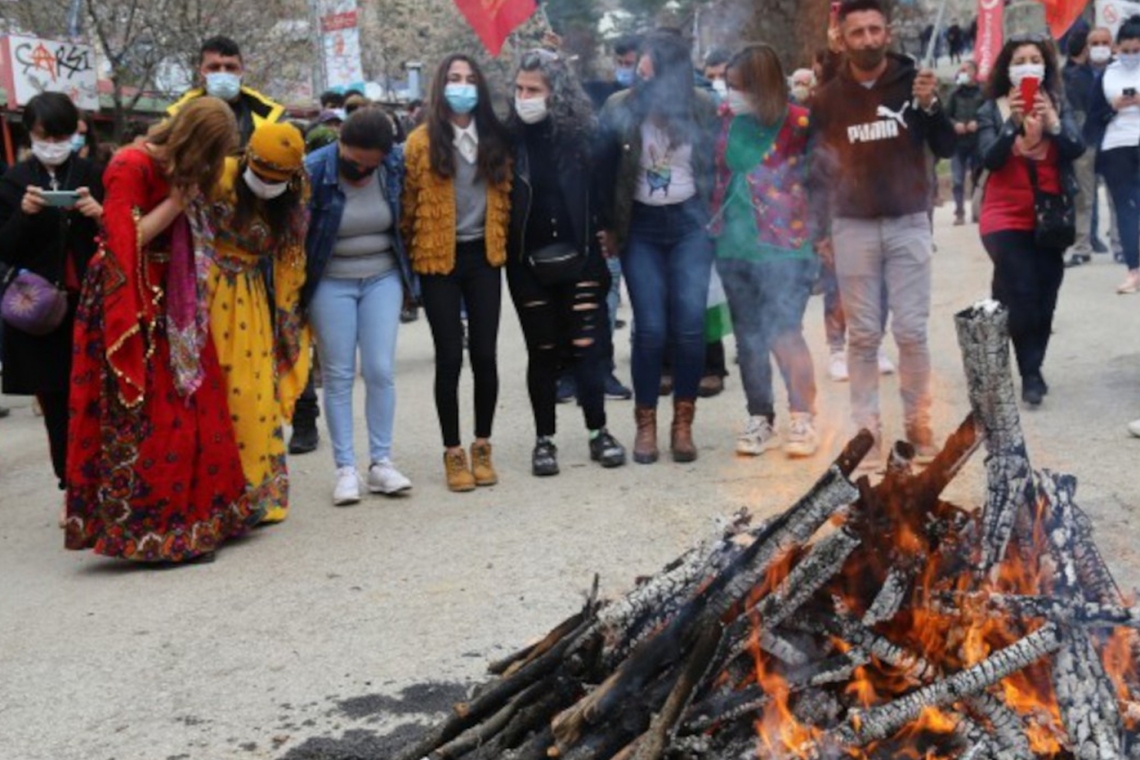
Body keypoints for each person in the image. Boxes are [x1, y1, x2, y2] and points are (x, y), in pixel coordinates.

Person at [66, 98, 259, 564]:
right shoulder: (129, 165)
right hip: (131, 302)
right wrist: (177, 201)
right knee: (155, 414)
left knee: (197, 404)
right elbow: (123, 242)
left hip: (176, 299)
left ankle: (205, 515)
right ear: (194, 142)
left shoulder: (182, 169)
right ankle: (154, 531)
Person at [808, 0, 955, 466]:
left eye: (875, 29)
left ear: (887, 32)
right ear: (842, 39)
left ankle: (918, 422)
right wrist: (820, 230)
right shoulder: (827, 99)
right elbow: (816, 172)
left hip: (909, 220)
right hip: (852, 226)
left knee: (911, 332)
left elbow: (948, 146)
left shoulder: (915, 84)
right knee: (864, 335)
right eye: (858, 33)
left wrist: (931, 108)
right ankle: (866, 431)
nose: (868, 39)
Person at [598, 31, 719, 464]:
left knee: (689, 328)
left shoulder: (702, 108)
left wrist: (717, 218)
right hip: (641, 227)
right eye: (638, 70)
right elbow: (603, 169)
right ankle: (645, 422)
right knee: (650, 328)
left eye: (648, 70)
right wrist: (607, 227)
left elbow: (717, 167)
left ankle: (682, 423)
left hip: (690, 224)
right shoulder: (620, 107)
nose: (640, 77)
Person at [506, 48, 628, 477]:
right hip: (526, 263)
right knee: (542, 353)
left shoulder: (586, 137)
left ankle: (599, 432)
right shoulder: (508, 138)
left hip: (581, 257)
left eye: (533, 90)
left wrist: (609, 229)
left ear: (555, 93)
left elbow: (607, 188)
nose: (525, 97)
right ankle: (545, 440)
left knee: (586, 349)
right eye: (520, 89)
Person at [402, 55, 512, 492]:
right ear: (440, 86)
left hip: (484, 258)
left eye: (469, 79)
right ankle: (453, 452)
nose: (461, 86)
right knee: (449, 357)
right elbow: (408, 208)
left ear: (480, 88)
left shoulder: (496, 139)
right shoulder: (419, 142)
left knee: (484, 355)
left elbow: (507, 198)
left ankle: (482, 444)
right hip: (438, 261)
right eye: (453, 79)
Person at [303, 108, 416, 504]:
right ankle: (345, 468)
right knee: (337, 373)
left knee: (380, 369)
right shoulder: (314, 170)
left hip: (382, 274)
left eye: (371, 166)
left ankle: (381, 462)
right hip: (330, 279)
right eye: (353, 163)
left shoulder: (395, 166)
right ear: (340, 144)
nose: (362, 172)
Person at [712, 45, 820, 458]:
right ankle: (761, 416)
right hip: (733, 246)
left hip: (787, 248)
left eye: (738, 87)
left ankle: (802, 416)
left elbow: (820, 178)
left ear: (764, 87)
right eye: (727, 86)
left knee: (783, 332)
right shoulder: (724, 121)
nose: (730, 95)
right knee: (749, 338)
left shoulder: (799, 123)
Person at [203, 122, 311, 522]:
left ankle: (255, 493)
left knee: (250, 392)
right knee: (209, 387)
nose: (267, 184)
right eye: (262, 175)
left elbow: (291, 263)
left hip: (250, 298)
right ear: (247, 158)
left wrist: (291, 321)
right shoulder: (220, 174)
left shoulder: (296, 198)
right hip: (203, 288)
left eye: (277, 179)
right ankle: (214, 494)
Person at [0, 93, 103, 496]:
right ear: (31, 134)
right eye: (46, 135)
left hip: (90, 304)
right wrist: (24, 216)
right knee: (57, 405)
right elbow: (5, 248)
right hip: (40, 314)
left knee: (97, 399)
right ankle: (71, 487)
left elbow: (119, 234)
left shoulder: (91, 172)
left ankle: (102, 482)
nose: (54, 144)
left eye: (62, 135)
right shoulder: (13, 181)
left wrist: (100, 212)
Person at [977, 36, 1084, 407]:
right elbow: (988, 159)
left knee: (1044, 295)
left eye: (1035, 58)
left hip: (1050, 216)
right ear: (1007, 67)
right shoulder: (992, 108)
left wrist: (1054, 121)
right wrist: (1013, 124)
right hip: (1003, 214)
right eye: (1019, 59)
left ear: (1046, 65)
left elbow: (1076, 147)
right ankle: (1031, 373)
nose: (1027, 65)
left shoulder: (1058, 102)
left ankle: (1019, 346)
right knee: (1022, 290)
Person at [1087, 16, 1140, 294]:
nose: (1131, 56)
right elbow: (1093, 120)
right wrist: (1114, 107)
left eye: (1137, 51)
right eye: (1126, 51)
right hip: (1116, 146)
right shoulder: (1108, 75)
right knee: (1127, 211)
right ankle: (1134, 269)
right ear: (1117, 48)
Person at [166, 36, 286, 147]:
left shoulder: (268, 115)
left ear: (242, 71)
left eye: (230, 67)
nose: (223, 73)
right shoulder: (178, 115)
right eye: (214, 67)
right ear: (200, 72)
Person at [947, 60, 985, 225]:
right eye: (960, 69)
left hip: (976, 143)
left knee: (977, 179)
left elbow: (988, 114)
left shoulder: (983, 92)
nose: (962, 72)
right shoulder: (954, 93)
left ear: (974, 72)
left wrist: (978, 122)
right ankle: (959, 213)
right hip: (957, 144)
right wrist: (955, 124)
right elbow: (945, 116)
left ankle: (977, 212)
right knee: (957, 180)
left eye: (966, 69)